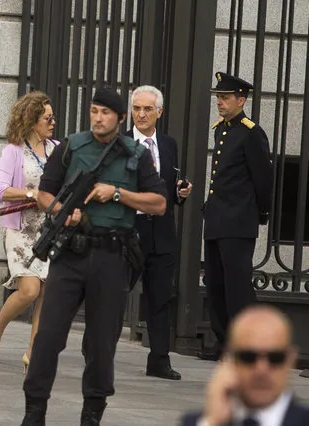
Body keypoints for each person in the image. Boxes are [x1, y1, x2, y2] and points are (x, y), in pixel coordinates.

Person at [21, 87, 167, 425]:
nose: (98, 118)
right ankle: (34, 411)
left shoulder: (135, 154)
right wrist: (61, 210)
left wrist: (117, 193)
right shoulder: (72, 146)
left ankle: (92, 415)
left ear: (120, 118)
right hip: (70, 253)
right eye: (94, 111)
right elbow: (45, 192)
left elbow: (159, 203)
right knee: (48, 337)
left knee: (101, 345)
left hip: (112, 257)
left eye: (105, 113)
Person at [197, 72, 273, 362]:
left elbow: (263, 179)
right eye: (218, 96)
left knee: (238, 286)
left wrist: (261, 213)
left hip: (239, 221)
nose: (220, 102)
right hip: (217, 218)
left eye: (225, 97)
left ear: (241, 100)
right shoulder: (221, 130)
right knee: (215, 284)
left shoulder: (251, 133)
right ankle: (224, 341)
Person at [0, 91, 59, 372]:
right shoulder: (13, 151)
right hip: (21, 228)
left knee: (47, 291)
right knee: (29, 290)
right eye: (47, 118)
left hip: (48, 229)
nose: (52, 123)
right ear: (31, 121)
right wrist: (32, 193)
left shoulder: (57, 149)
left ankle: (34, 352)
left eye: (53, 117)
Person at [127, 85, 192, 380]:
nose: (141, 114)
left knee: (160, 297)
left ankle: (159, 360)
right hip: (130, 230)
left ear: (159, 113)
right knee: (114, 293)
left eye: (147, 109)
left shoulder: (168, 145)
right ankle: (97, 351)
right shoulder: (121, 143)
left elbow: (168, 184)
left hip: (162, 231)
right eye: (137, 108)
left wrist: (181, 193)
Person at [181, 305, 309, 426]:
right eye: (248, 357)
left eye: (275, 358)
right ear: (230, 360)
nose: (261, 369)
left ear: (290, 360)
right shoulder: (198, 422)